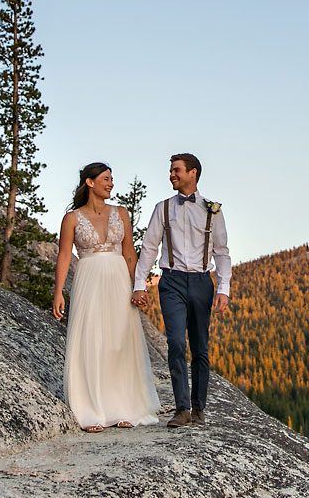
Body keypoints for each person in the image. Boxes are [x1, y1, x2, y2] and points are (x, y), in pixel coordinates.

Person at [52, 162, 160, 432]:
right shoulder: (72, 218)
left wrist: (138, 286)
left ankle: (123, 406)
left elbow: (129, 253)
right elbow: (64, 255)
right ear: (90, 182)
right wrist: (58, 293)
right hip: (89, 278)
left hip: (118, 278)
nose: (111, 183)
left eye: (112, 179)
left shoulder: (121, 213)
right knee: (91, 339)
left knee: (119, 341)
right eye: (106, 179)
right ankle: (91, 409)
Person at [131, 152, 230, 428]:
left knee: (200, 347)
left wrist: (224, 288)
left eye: (176, 170)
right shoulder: (162, 208)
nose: (171, 175)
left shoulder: (213, 210)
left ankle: (198, 408)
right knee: (175, 342)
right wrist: (140, 284)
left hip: (201, 282)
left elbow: (222, 253)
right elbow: (149, 248)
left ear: (193, 173)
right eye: (171, 171)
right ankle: (182, 408)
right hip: (171, 281)